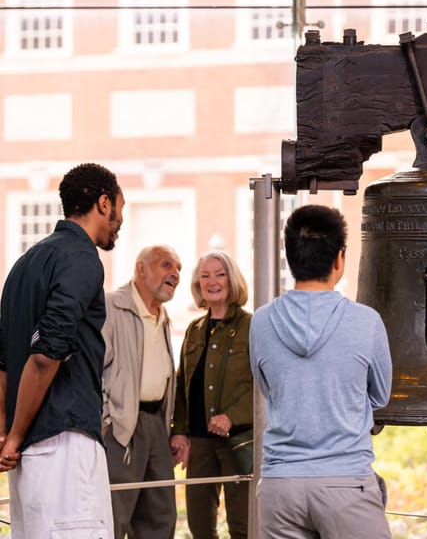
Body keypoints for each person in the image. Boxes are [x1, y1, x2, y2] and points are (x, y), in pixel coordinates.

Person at [250, 204, 393, 538]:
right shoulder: (366, 321)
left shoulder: (261, 322)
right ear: (338, 259)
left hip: (279, 485)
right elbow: (380, 394)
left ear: (290, 258)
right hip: (345, 482)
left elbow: (268, 387)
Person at [0, 163, 124, 538]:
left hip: (31, 459)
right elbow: (47, 353)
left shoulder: (24, 263)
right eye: (120, 209)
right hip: (64, 447)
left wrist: (7, 432)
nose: (120, 221)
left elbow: (4, 361)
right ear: (104, 203)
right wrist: (16, 435)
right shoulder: (82, 257)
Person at [170, 250, 253, 539]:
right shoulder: (193, 331)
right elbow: (182, 388)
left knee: (243, 525)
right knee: (199, 525)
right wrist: (178, 432)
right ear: (197, 284)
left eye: (220, 274)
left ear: (232, 281)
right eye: (205, 276)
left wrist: (233, 416)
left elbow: (266, 385)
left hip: (239, 443)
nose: (212, 282)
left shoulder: (252, 327)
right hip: (200, 444)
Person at [102, 245, 182, 538]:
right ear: (141, 268)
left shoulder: (163, 316)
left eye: (178, 269)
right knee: (115, 515)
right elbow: (90, 367)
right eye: (166, 265)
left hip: (156, 424)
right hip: (122, 426)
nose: (174, 273)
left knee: (161, 517)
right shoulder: (111, 306)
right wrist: (106, 418)